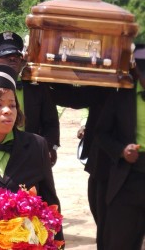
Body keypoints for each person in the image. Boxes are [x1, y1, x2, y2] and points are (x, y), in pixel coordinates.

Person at [0, 63, 64, 246]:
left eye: (12, 104)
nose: (8, 110)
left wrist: (57, 244)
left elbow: (50, 204)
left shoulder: (36, 145)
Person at [92, 43, 145, 250]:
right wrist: (121, 151)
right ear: (137, 70)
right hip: (128, 177)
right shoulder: (121, 97)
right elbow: (100, 134)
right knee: (120, 241)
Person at [0, 31, 60, 166]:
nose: (13, 59)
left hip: (30, 155)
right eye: (6, 56)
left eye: (17, 56)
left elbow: (51, 121)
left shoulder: (37, 88)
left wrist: (49, 147)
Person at [50, 82, 113, 249]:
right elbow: (76, 97)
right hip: (104, 161)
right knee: (103, 216)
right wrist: (43, 83)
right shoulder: (108, 85)